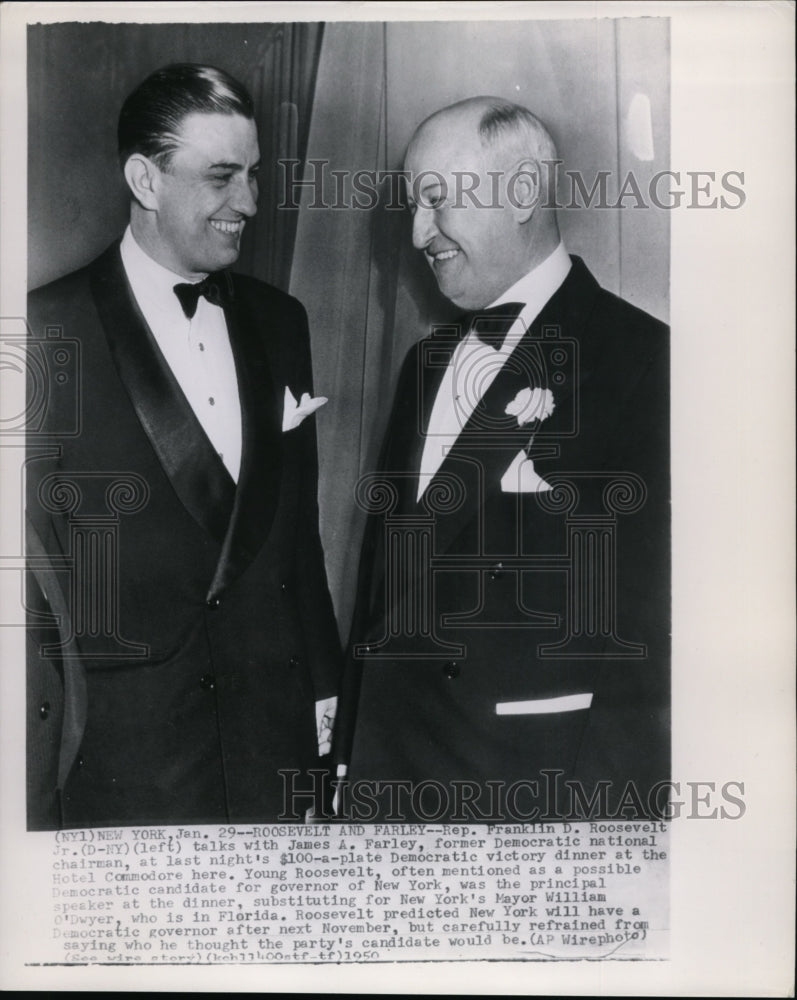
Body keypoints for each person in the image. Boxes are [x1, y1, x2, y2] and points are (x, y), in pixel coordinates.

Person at [335, 97, 670, 822]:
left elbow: (652, 650)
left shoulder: (644, 362)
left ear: (521, 191)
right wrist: (345, 765)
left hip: (529, 800)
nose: (418, 233)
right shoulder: (423, 365)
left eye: (434, 200)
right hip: (384, 796)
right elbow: (382, 588)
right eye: (411, 208)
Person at [25, 64, 342, 829]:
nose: (250, 204)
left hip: (276, 746)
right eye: (222, 177)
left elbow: (297, 543)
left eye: (254, 176)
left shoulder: (281, 321)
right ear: (145, 178)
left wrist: (328, 698)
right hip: (125, 760)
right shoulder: (39, 336)